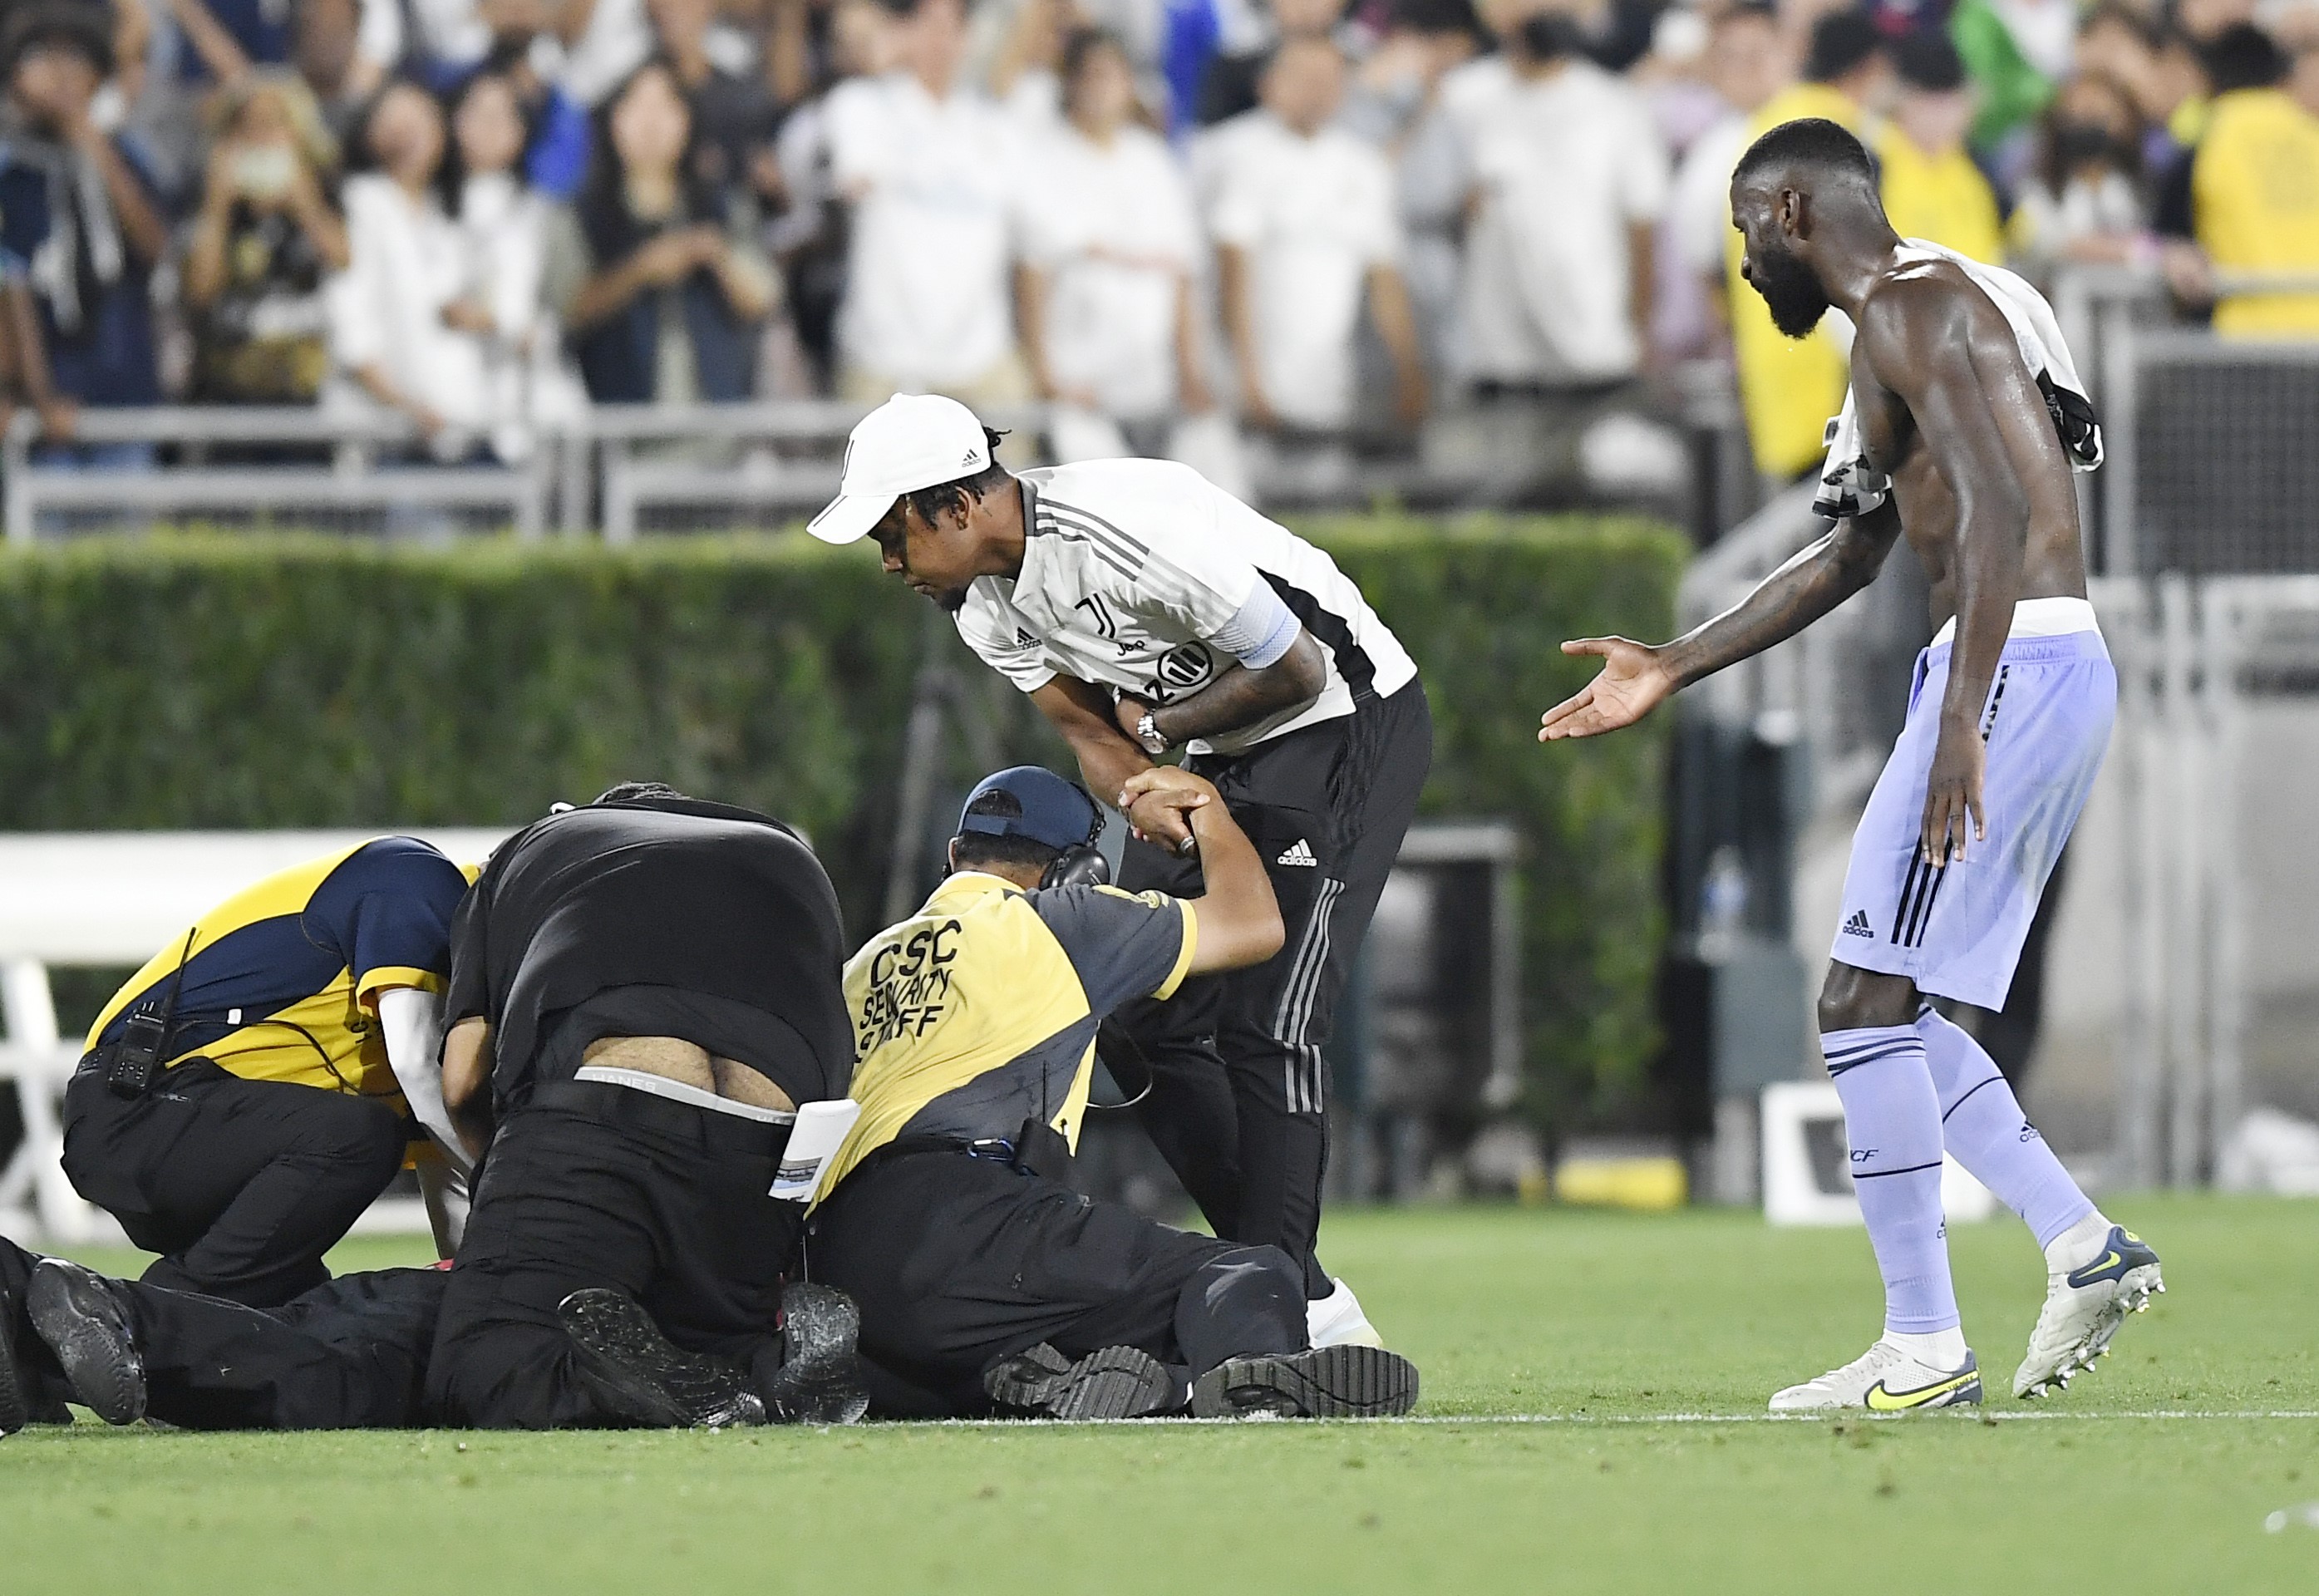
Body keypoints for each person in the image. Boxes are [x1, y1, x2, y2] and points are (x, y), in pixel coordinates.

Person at [1539, 117, 2162, 1411]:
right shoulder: (1938, 306)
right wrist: (1671, 660)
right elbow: (1853, 551)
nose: (1742, 272)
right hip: (2034, 665)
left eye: (1740, 240)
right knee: (1888, 1006)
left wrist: (1955, 725)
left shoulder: (1912, 310)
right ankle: (2066, 1248)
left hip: (2006, 671)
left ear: (1788, 214)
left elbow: (1998, 509)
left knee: (1860, 1007)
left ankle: (1931, 1341)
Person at [807, 393, 1432, 1349]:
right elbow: (1092, 736)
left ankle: (1286, 1311)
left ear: (960, 508)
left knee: (1275, 1016)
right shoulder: (980, 606)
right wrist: (1150, 779)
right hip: (1219, 745)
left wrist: (1165, 740)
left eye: (893, 534)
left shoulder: (1124, 532)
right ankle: (1288, 1286)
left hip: (1343, 718)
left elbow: (1297, 669)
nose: (889, 562)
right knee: (1140, 1018)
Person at [807, 765, 1421, 1420]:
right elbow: (1253, 925)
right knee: (1248, 1275)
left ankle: (1076, 1380)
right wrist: (1209, 812)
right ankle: (1254, 1383)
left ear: (956, 856)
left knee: (1002, 1333)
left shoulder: (862, 964)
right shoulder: (1064, 919)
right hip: (969, 1216)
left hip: (839, 1257)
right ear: (1080, 870)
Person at [426, 783, 866, 1431]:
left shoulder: (532, 849)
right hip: (775, 1131)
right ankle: (777, 1370)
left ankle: (628, 1391)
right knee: (705, 1333)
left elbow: (462, 1078)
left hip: (611, 1089)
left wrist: (512, 1186)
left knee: (486, 1363)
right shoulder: (785, 847)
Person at [62, 838, 473, 1308]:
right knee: (359, 1134)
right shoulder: (422, 879)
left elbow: (443, 1160)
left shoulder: (456, 955)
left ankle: (143, 1333)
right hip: (139, 1108)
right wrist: (520, 1194)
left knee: (295, 1337)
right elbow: (414, 1064)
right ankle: (137, 1319)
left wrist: (476, 1286)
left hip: (183, 1122)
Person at [1208, 32, 1427, 438]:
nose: (1319, 91)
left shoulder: (1363, 165)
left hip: (1330, 374)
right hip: (1253, 370)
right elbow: (1231, 270)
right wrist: (1246, 375)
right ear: (1270, 83)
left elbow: (1385, 275)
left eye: (1330, 79)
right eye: (1305, 78)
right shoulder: (1235, 152)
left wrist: (1408, 369)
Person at [2, 1237, 447, 1434]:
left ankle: (11, 1281)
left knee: (275, 1335)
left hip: (413, 1284)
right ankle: (126, 1319)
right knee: (334, 1386)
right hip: (464, 1311)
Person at [1446, 5, 1667, 396]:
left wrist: (1641, 326)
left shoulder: (1614, 104)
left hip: (1596, 347)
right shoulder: (1463, 97)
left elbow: (1644, 225)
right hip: (1499, 353)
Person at [822, 0, 1034, 405]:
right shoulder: (860, 106)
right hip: (883, 358)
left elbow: (1033, 234)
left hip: (981, 355)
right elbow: (849, 180)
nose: (940, 40)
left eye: (952, 27)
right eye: (926, 24)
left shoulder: (998, 128)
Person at [542, 58, 779, 406]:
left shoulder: (722, 205)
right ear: (613, 119)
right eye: (637, 106)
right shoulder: (581, 213)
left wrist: (716, 254)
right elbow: (565, 310)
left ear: (688, 120)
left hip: (722, 423)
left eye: (666, 106)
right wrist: (639, 271)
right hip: (617, 426)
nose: (651, 123)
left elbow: (764, 299)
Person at [1017, 27, 1209, 453]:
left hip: (1155, 383)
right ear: (1070, 83)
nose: (1101, 89)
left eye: (1112, 75)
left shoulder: (1154, 161)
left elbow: (1181, 272)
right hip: (1078, 382)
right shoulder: (1043, 160)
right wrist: (1045, 375)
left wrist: (1189, 371)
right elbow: (1031, 272)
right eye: (1091, 75)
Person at [1724, 10, 1888, 483]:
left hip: (1778, 367)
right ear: (1871, 68)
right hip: (1840, 377)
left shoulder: (1767, 127)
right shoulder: (1849, 138)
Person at [0, 4, 169, 461]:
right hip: (41, 404)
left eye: (75, 57)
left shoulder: (124, 153)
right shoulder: (13, 169)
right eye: (42, 57)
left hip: (125, 385)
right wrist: (38, 393)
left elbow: (155, 246)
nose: (60, 72)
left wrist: (87, 135)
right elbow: (11, 284)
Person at [326, 79, 497, 456]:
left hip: (462, 429)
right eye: (393, 123)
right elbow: (351, 329)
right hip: (388, 440)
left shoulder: (451, 216)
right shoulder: (360, 205)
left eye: (421, 120)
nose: (408, 134)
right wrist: (406, 407)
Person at [183, 71, 349, 406]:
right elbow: (199, 291)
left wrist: (305, 204)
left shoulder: (323, 196)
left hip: (307, 390)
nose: (261, 138)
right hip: (227, 391)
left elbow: (343, 259)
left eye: (274, 125)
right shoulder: (212, 207)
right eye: (249, 127)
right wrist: (218, 207)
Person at [2185, 22, 2319, 337]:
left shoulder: (2208, 134)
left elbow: (2171, 227)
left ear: (2210, 77)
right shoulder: (2311, 133)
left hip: (2248, 334)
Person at [1875, 32, 2003, 264]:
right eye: (1928, 102)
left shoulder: (1977, 168)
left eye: (1950, 103)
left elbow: (2026, 232)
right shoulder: (1872, 164)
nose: (1940, 117)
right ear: (1899, 99)